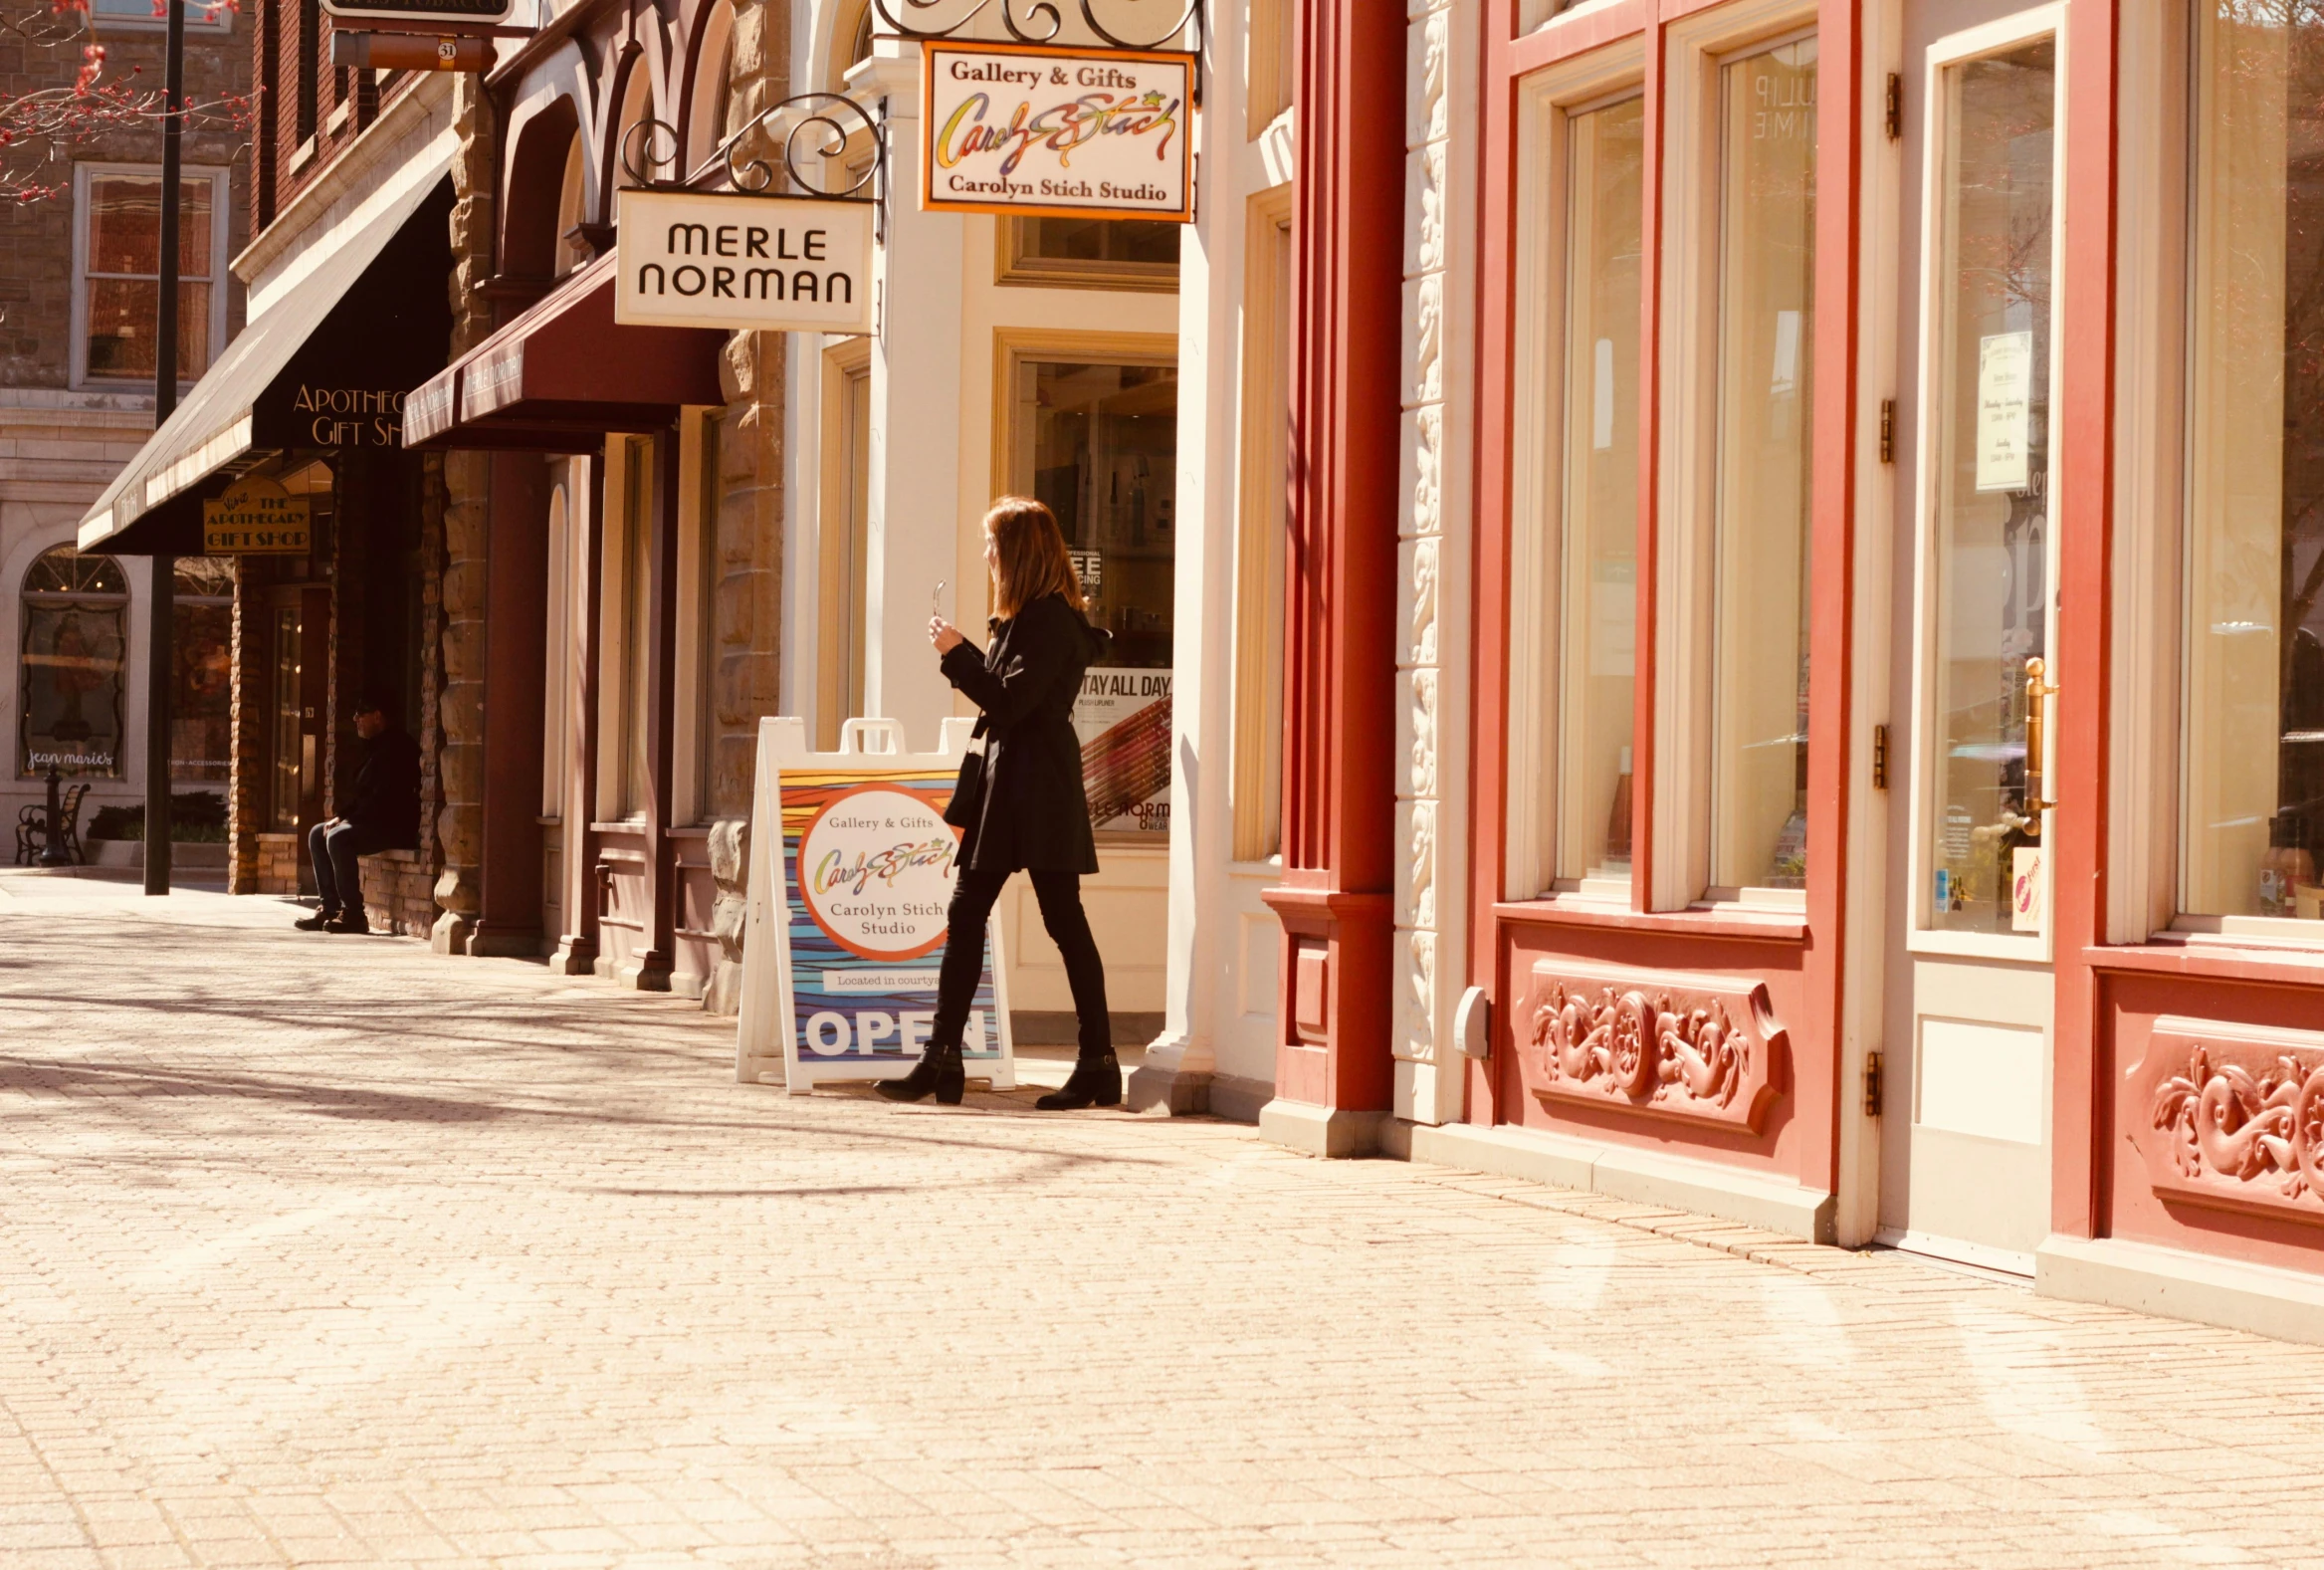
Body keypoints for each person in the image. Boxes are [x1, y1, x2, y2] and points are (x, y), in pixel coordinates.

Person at [879, 496, 1120, 1110]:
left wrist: (956, 652)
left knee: (1059, 921)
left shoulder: (1049, 621)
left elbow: (1008, 702)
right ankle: (945, 1057)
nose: (986, 556)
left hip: (1036, 786)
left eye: (992, 545)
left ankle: (1095, 1061)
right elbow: (1013, 695)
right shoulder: (1029, 619)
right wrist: (967, 652)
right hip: (1013, 780)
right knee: (972, 914)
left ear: (1016, 552)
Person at [295, 692, 420, 935]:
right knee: (317, 833)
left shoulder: (397, 749)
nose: (355, 719)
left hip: (393, 826)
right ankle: (329, 908)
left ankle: (353, 914)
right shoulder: (375, 747)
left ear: (377, 716)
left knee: (338, 837)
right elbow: (363, 797)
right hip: (372, 822)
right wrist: (340, 817)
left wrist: (346, 822)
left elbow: (382, 800)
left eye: (360, 714)